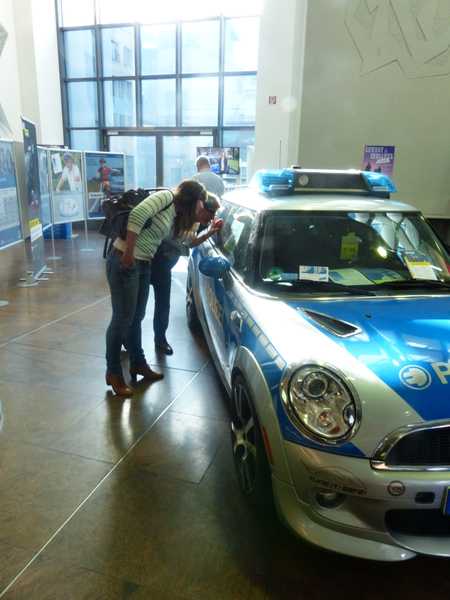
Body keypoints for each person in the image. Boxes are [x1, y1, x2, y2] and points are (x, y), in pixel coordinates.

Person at [105, 180, 207, 397]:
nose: (202, 207)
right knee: (122, 319)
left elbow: (186, 242)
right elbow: (137, 216)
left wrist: (209, 231)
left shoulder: (176, 212)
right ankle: (113, 372)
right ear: (192, 197)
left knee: (136, 317)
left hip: (143, 264)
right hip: (126, 261)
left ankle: (138, 363)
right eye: (201, 202)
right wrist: (129, 252)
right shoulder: (166, 198)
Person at [151, 193, 222, 355]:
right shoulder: (175, 216)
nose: (211, 219)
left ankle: (160, 340)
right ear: (200, 207)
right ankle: (129, 339)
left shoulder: (195, 221)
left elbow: (190, 242)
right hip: (149, 262)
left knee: (163, 304)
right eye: (211, 214)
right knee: (137, 306)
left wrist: (210, 232)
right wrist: (181, 246)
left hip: (164, 266)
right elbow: (172, 240)